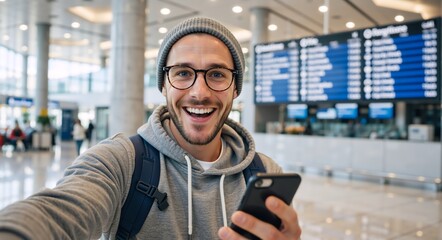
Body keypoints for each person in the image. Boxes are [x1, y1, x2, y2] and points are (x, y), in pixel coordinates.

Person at [0, 17, 301, 239]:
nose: (200, 92)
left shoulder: (264, 173)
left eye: (217, 74)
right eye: (183, 73)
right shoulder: (121, 162)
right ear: (163, 86)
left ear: (235, 88)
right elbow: (60, 212)